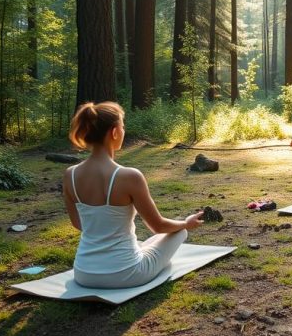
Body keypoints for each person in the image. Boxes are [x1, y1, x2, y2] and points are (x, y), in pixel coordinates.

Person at [62, 102, 204, 289]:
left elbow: (79, 224)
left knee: (146, 242)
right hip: (125, 274)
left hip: (84, 273)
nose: (123, 130)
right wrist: (187, 223)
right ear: (114, 132)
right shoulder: (129, 176)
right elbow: (158, 226)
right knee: (179, 232)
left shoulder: (70, 174)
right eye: (122, 126)